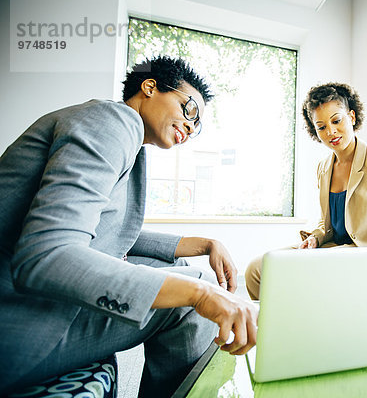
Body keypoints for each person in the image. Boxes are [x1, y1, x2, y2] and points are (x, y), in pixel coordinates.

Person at [0, 56, 257, 397]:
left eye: (198, 126)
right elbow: (46, 255)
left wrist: (202, 243)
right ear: (149, 87)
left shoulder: (120, 136)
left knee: (183, 271)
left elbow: (104, 232)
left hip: (21, 306)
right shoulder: (113, 120)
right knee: (191, 294)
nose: (191, 127)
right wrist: (200, 294)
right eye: (189, 109)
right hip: (19, 324)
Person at [245, 82, 367, 300]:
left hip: (366, 252)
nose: (330, 131)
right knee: (257, 270)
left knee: (309, 274)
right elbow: (326, 224)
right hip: (331, 250)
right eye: (321, 127)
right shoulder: (323, 168)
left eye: (336, 120)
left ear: (352, 116)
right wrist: (315, 238)